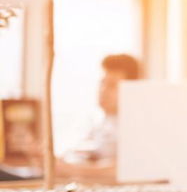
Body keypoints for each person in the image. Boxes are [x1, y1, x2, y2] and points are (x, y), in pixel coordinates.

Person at [56, 54, 140, 182]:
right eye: (102, 84)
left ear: (131, 89)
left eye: (111, 85)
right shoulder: (98, 123)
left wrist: (70, 169)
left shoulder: (137, 126)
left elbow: (129, 169)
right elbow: (78, 153)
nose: (103, 90)